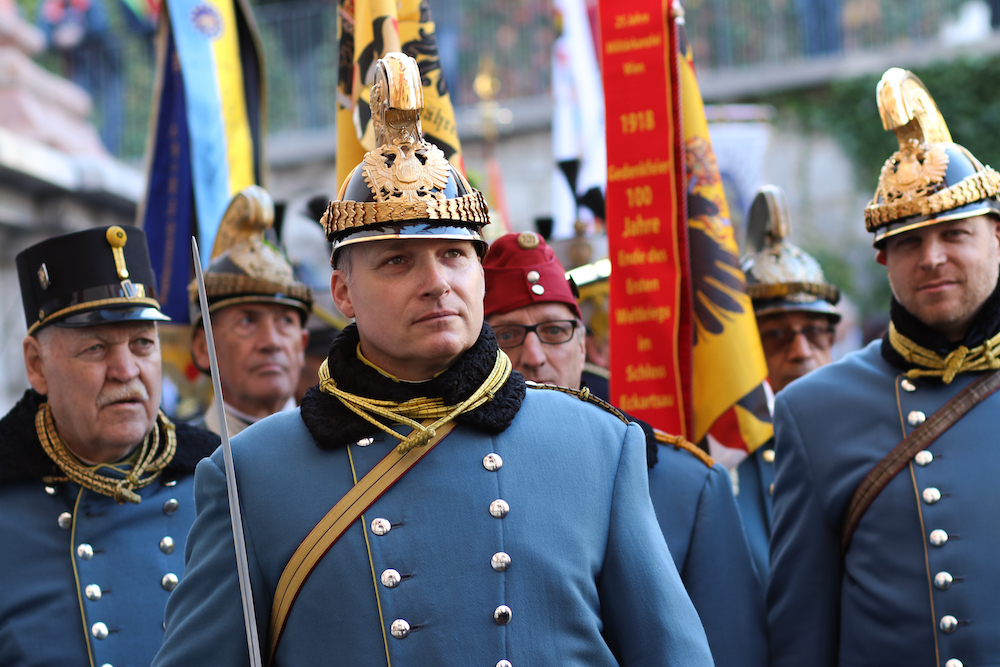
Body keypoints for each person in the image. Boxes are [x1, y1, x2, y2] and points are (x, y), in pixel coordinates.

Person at [153, 53, 713, 667]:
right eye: (397, 260)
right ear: (342, 292)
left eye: (453, 253)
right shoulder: (249, 475)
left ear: (478, 273)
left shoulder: (598, 446)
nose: (436, 282)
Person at [768, 67, 1000, 667]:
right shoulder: (813, 411)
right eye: (908, 242)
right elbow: (802, 632)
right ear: (883, 258)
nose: (932, 258)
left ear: (997, 236)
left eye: (955, 233)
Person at [482, 231, 767, 667]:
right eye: (507, 335)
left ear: (582, 345)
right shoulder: (451, 471)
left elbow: (729, 649)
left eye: (555, 331)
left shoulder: (689, 485)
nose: (535, 356)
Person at [0, 225, 219, 666]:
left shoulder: (219, 483)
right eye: (96, 348)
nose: (126, 370)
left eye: (142, 344)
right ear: (36, 365)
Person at [736, 184, 841, 578]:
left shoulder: (866, 431)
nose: (801, 351)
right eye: (777, 335)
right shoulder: (724, 450)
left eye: (815, 331)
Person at [188, 185, 313, 436]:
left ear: (301, 344)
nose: (271, 342)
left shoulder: (343, 453)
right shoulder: (179, 462)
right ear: (204, 347)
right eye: (247, 321)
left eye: (285, 321)